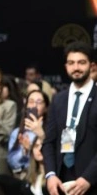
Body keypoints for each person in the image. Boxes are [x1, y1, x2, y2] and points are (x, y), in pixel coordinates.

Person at [43, 41, 97, 195]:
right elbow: (49, 142)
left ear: (92, 66)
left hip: (92, 183)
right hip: (61, 182)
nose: (76, 67)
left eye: (81, 62)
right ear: (66, 66)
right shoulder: (58, 100)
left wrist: (88, 178)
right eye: (71, 63)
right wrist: (50, 175)